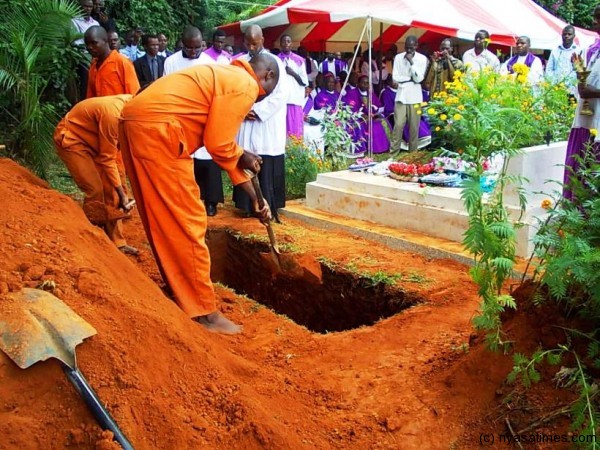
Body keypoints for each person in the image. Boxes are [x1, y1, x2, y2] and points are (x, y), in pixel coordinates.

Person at [119, 54, 279, 334]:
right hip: (159, 130)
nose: (256, 103)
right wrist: (243, 155)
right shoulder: (245, 85)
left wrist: (255, 197)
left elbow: (223, 148)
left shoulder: (223, 75)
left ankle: (180, 290)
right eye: (263, 97)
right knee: (188, 220)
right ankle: (203, 311)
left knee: (163, 217)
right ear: (266, 77)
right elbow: (219, 144)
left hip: (136, 123)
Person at [53, 95, 138, 255]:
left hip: (97, 144)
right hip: (73, 141)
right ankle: (90, 237)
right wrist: (121, 192)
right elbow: (107, 158)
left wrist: (120, 191)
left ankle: (118, 242)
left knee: (113, 189)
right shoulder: (114, 114)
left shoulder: (133, 107)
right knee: (95, 188)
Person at [233, 25, 288, 222]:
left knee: (267, 160)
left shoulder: (276, 63)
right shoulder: (239, 63)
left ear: (262, 40)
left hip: (266, 123)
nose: (251, 47)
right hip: (245, 120)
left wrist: (257, 111)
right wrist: (243, 109)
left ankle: (270, 206)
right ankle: (247, 206)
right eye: (248, 43)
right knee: (246, 157)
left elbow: (281, 94)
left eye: (254, 43)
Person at [563, 6, 600, 201]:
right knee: (581, 167)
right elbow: (584, 88)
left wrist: (583, 83)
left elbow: (585, 87)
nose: (594, 23)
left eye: (597, 19)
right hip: (587, 117)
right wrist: (579, 70)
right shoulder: (591, 50)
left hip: (597, 121)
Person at [390, 35, 428, 152]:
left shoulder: (422, 59)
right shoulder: (398, 57)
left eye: (411, 47)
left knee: (414, 127)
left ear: (416, 46)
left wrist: (411, 62)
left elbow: (419, 79)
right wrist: (409, 79)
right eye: (407, 47)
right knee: (398, 125)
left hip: (415, 97)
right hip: (401, 95)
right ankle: (393, 153)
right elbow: (395, 76)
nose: (409, 50)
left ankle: (413, 154)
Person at [85, 26, 140, 98]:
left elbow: (134, 94)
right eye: (87, 44)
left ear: (105, 41)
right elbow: (90, 98)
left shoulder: (122, 62)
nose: (90, 47)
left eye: (94, 43)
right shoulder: (93, 66)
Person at [343, 75, 391, 154]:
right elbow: (350, 108)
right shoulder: (351, 93)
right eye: (363, 83)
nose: (365, 85)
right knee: (371, 125)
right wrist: (362, 115)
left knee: (383, 121)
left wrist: (376, 113)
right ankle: (374, 149)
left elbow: (378, 105)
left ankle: (386, 147)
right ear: (358, 83)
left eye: (367, 83)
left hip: (372, 116)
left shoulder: (370, 93)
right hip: (359, 118)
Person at [278, 34, 308, 138]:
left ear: (292, 44)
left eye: (288, 41)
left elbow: (304, 82)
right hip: (280, 101)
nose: (286, 43)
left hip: (294, 100)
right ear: (280, 44)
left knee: (294, 132)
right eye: (284, 41)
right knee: (281, 131)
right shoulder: (276, 60)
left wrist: (293, 73)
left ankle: (294, 153)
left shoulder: (299, 60)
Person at [546, 25, 581, 93]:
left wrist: (570, 84)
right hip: (556, 88)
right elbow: (549, 70)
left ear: (574, 36)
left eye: (569, 34)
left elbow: (579, 71)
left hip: (572, 90)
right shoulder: (555, 51)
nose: (566, 36)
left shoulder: (578, 51)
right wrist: (555, 83)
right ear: (562, 35)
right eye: (564, 34)